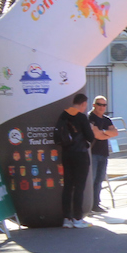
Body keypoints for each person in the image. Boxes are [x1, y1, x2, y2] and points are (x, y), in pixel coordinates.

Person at [56, 93, 95, 228]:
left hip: (66, 154)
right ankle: (78, 218)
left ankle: (67, 218)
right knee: (79, 186)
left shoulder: (63, 115)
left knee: (67, 186)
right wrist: (91, 129)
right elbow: (90, 137)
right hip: (80, 155)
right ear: (83, 104)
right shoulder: (81, 117)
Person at [88, 96, 119, 214]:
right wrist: (106, 134)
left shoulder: (106, 119)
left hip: (103, 153)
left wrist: (104, 132)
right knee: (91, 179)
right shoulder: (90, 117)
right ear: (94, 105)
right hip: (92, 152)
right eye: (99, 104)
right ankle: (88, 204)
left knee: (99, 179)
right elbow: (97, 135)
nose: (102, 107)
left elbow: (115, 132)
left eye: (104, 105)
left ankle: (96, 204)